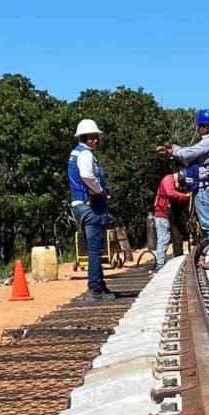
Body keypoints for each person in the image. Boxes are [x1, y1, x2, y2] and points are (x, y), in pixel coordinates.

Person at [157, 109, 209, 271]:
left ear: (205, 127)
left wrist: (174, 149)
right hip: (206, 187)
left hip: (204, 189)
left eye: (200, 126)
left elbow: (189, 154)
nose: (198, 129)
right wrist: (171, 153)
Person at [68, 119, 114, 301]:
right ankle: (94, 289)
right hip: (90, 206)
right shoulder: (85, 155)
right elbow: (87, 175)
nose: (94, 140)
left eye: (96, 137)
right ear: (83, 138)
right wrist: (100, 191)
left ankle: (100, 286)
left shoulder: (75, 153)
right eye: (91, 138)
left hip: (80, 205)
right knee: (95, 251)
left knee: (94, 249)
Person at [153, 171, 191, 271]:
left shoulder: (174, 182)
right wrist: (186, 196)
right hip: (161, 215)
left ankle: (172, 261)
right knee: (164, 239)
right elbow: (170, 193)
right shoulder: (168, 180)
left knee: (173, 237)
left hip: (168, 215)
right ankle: (160, 265)